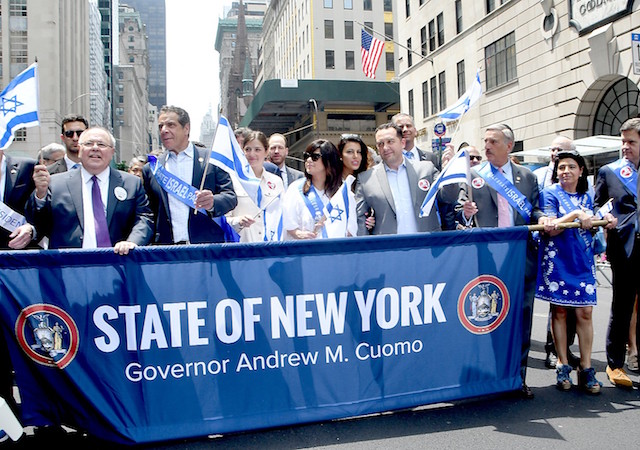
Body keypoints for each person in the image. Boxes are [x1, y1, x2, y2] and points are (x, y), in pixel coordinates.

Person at [458, 123, 551, 399]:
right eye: (485, 141)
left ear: (509, 146)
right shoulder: (474, 175)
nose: (486, 146)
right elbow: (460, 214)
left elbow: (534, 209)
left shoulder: (527, 176)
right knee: (488, 318)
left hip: (520, 257)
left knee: (521, 319)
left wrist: (542, 217)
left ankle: (517, 378)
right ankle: (491, 376)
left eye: (493, 142)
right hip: (487, 259)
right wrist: (465, 212)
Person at [536, 149, 617, 393]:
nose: (566, 171)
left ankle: (586, 367)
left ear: (581, 171)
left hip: (582, 261)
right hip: (558, 260)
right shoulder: (549, 194)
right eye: (561, 167)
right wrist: (574, 214)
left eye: (571, 167)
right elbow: (551, 229)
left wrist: (607, 218)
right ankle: (562, 363)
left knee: (585, 313)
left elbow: (598, 217)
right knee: (559, 312)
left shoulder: (588, 194)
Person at [28, 127, 153, 254]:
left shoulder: (131, 183)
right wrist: (40, 194)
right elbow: (39, 223)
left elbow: (144, 219)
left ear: (112, 151)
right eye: (88, 144)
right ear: (80, 150)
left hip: (119, 263)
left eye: (101, 144)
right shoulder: (55, 184)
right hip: (69, 266)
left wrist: (132, 241)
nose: (95, 148)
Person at [142, 105, 237, 244]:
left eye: (171, 125)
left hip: (206, 250)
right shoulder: (152, 169)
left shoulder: (211, 159)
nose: (164, 130)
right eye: (161, 126)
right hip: (167, 252)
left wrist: (212, 203)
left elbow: (230, 198)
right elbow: (148, 213)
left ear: (186, 128)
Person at [594, 117, 640, 388]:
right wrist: (606, 217)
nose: (625, 147)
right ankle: (615, 364)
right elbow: (597, 204)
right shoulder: (609, 172)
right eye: (623, 141)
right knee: (622, 306)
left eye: (631, 142)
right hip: (625, 248)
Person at [355, 123, 455, 236]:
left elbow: (448, 197)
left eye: (390, 142)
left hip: (426, 246)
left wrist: (450, 172)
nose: (385, 148)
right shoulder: (366, 179)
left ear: (402, 143)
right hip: (388, 248)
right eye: (380, 144)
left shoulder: (426, 169)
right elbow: (360, 218)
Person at [535, 136, 580, 370]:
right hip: (553, 247)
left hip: (576, 250)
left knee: (575, 306)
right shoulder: (540, 176)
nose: (555, 153)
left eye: (560, 150)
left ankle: (567, 348)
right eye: (552, 149)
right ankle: (553, 350)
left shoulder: (580, 182)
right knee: (557, 305)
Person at [0, 148, 38, 418]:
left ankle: (39, 413)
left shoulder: (25, 167)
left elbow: (40, 211)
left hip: (17, 271)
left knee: (24, 344)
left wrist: (31, 227)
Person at [226, 131, 284, 242]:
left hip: (270, 248)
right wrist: (238, 221)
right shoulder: (232, 180)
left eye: (257, 150)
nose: (252, 154)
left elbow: (282, 216)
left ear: (266, 152)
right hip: (242, 248)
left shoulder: (276, 181)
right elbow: (223, 220)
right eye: (248, 149)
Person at [283, 139, 345, 239]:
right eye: (306, 156)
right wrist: (299, 234)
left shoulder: (341, 192)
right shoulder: (295, 189)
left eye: (315, 157)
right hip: (305, 249)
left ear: (329, 161)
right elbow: (288, 224)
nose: (309, 160)